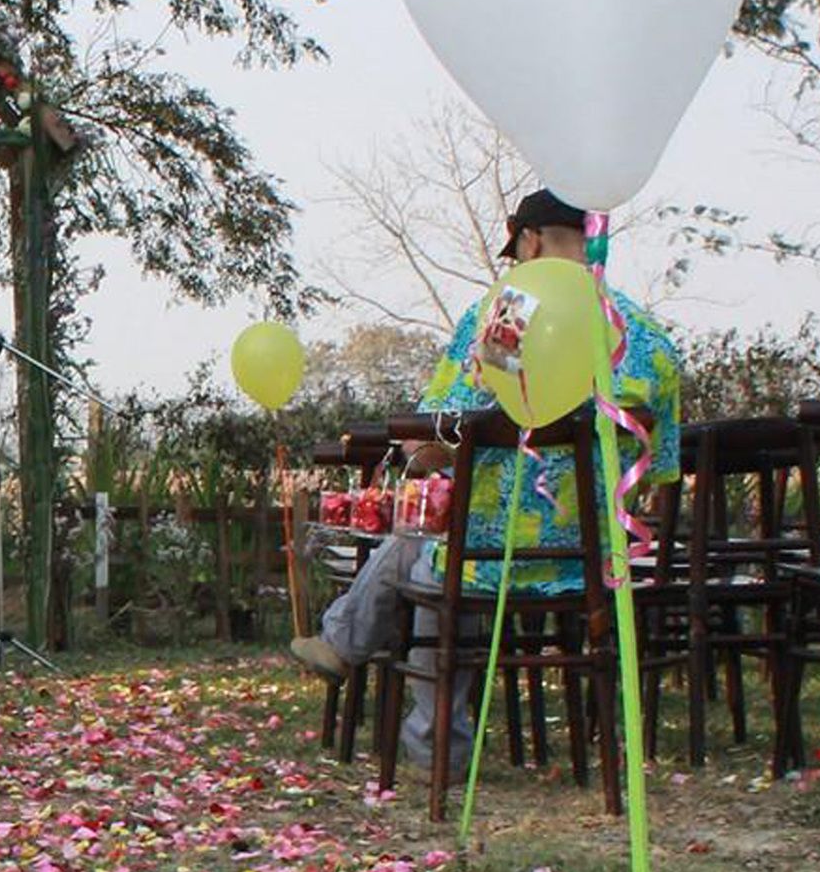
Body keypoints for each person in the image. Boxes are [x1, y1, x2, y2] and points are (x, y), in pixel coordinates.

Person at [290, 190, 684, 764]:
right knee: (436, 553)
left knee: (427, 550)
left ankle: (429, 737)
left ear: (528, 240)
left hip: (485, 559)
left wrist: (431, 455)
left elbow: (433, 437)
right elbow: (663, 463)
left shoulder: (506, 320)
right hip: (600, 564)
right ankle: (346, 647)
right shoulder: (643, 335)